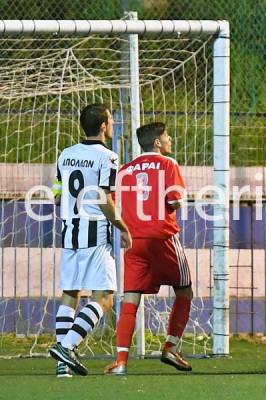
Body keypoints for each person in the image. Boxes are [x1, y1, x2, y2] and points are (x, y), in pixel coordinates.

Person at [49, 104, 132, 377]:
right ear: (103, 126)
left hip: (69, 231)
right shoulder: (108, 157)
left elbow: (57, 194)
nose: (113, 124)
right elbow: (105, 199)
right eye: (111, 120)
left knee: (70, 292)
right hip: (95, 232)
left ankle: (62, 366)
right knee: (105, 298)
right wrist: (122, 227)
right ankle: (67, 347)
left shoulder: (66, 154)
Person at [104, 122, 193, 375]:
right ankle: (170, 347)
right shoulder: (168, 164)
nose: (170, 139)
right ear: (157, 142)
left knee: (131, 298)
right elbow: (175, 201)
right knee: (184, 291)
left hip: (134, 239)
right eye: (167, 136)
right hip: (162, 237)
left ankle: (121, 362)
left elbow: (112, 202)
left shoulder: (125, 170)